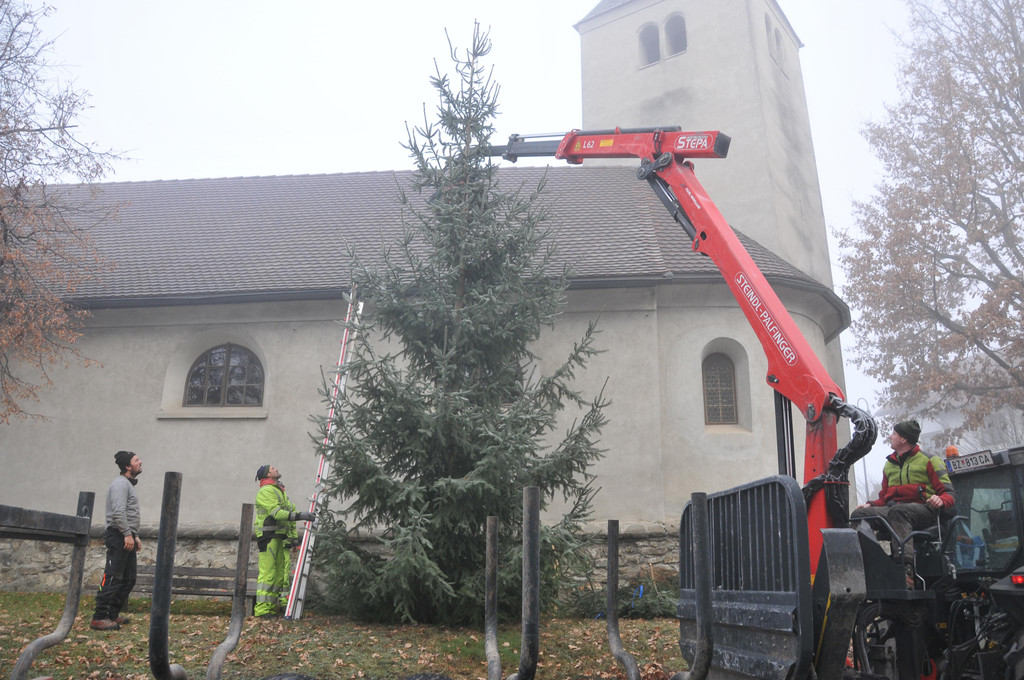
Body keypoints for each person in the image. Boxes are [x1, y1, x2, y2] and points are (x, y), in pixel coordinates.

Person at [851, 420, 955, 582]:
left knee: (898, 512)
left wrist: (940, 499)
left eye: (894, 433)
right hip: (896, 510)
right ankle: (868, 565)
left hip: (924, 510)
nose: (890, 436)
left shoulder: (930, 461)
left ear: (904, 439)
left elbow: (949, 494)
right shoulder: (889, 465)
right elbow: (884, 497)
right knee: (859, 515)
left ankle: (905, 570)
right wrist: (871, 504)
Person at [90, 450, 143, 631]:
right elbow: (118, 512)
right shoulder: (120, 484)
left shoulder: (127, 484)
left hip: (126, 535)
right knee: (113, 577)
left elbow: (127, 513)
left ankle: (112, 614)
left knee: (129, 578)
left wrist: (134, 536)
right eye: (136, 460)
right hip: (118, 535)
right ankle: (99, 617)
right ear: (128, 466)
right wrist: (127, 534)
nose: (140, 462)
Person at [253, 465, 313, 617]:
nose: (276, 469)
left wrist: (293, 537)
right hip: (268, 536)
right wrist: (300, 516)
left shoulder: (279, 491)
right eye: (273, 468)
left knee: (279, 575)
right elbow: (278, 514)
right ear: (267, 474)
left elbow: (288, 513)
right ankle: (262, 610)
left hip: (279, 536)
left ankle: (271, 608)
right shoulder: (266, 491)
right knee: (268, 573)